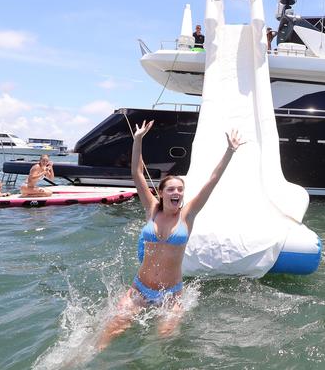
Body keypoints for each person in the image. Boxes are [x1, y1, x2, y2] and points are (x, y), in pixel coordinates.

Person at [97, 120, 243, 350]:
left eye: (180, 189)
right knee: (108, 335)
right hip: (139, 289)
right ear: (162, 192)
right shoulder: (151, 209)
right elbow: (136, 173)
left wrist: (229, 151)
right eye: (171, 189)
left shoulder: (188, 215)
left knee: (161, 344)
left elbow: (212, 180)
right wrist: (137, 141)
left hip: (170, 295)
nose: (177, 192)